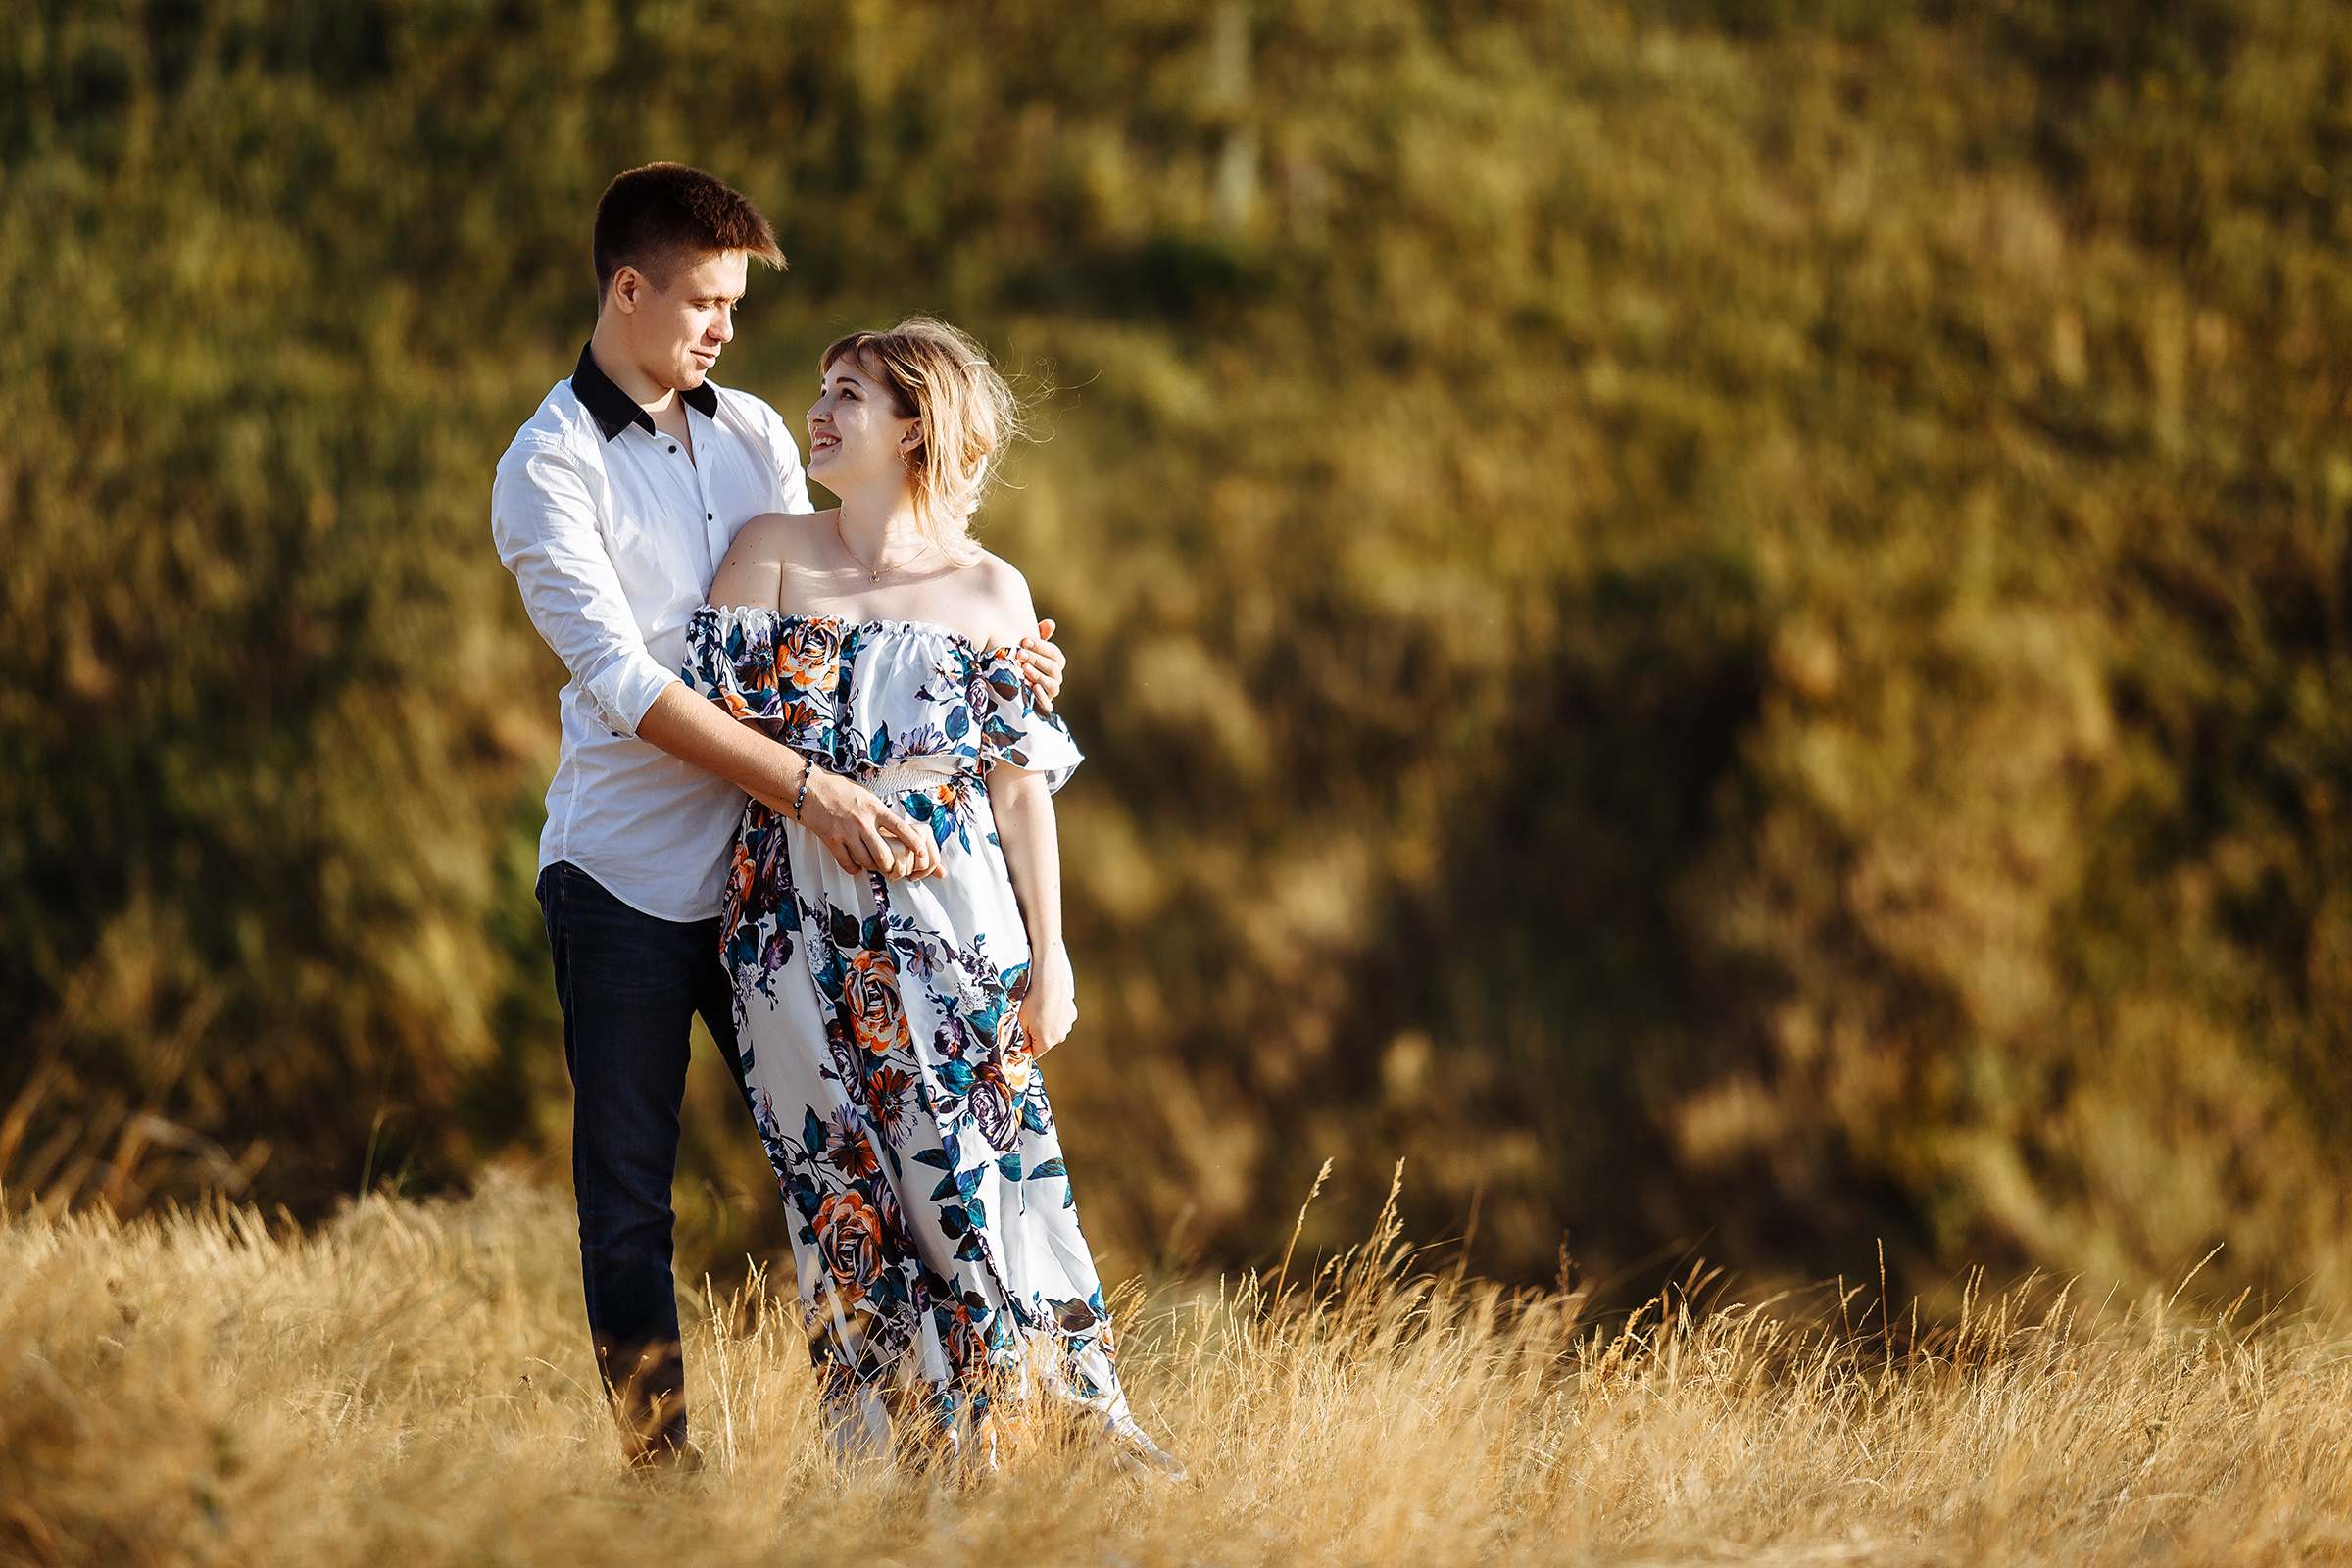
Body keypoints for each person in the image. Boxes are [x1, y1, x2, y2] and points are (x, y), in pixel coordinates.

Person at [491, 164, 1069, 1467]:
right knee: (631, 1202)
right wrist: (816, 789)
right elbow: (635, 689)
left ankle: (925, 1443)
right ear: (627, 290)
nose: (723, 331)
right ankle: (663, 1480)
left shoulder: (751, 429)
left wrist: (995, 660)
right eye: (702, 301)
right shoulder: (547, 473)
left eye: (735, 305)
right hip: (630, 883)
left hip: (788, 892)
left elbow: (852, 598)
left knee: (867, 1154)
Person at [684, 317, 1178, 1473]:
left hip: (950, 930)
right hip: (788, 933)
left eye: (846, 393)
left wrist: (1051, 957)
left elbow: (1020, 795)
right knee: (843, 1197)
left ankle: (1041, 1456)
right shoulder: (767, 551)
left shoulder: (994, 593)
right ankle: (897, 1479)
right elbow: (708, 726)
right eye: (821, 388)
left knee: (972, 1179)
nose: (818, 410)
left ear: (915, 426)